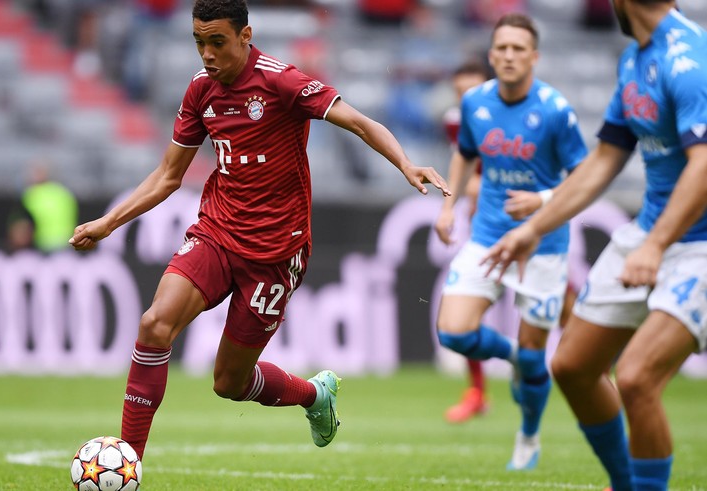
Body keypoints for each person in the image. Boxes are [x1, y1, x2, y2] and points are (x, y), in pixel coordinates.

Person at [69, 0, 451, 461]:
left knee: (228, 382)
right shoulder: (200, 91)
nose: (207, 54)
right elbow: (169, 175)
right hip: (217, 232)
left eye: (217, 42)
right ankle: (128, 460)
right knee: (154, 325)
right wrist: (109, 223)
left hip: (275, 253)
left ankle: (314, 396)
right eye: (199, 43)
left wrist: (405, 163)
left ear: (245, 36)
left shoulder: (281, 81)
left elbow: (358, 122)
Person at [482, 2, 707, 490]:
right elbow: (604, 160)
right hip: (651, 232)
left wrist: (656, 246)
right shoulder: (635, 59)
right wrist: (534, 227)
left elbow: (704, 166)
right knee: (573, 366)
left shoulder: (690, 59)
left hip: (698, 245)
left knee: (636, 377)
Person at [433, 13, 588, 471]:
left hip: (543, 242)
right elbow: (464, 154)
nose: (508, 56)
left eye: (518, 49)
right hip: (487, 235)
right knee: (453, 332)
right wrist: (448, 205)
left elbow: (585, 180)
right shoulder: (475, 103)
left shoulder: (555, 110)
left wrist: (541, 198)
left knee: (539, 359)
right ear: (492, 55)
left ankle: (529, 436)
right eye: (501, 48)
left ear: (534, 57)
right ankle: (513, 357)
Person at [439, 60, 494, 424]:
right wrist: (452, 205)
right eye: (460, 93)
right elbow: (465, 166)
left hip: (532, 222)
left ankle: (597, 370)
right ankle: (476, 391)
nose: (465, 99)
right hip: (486, 225)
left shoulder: (511, 114)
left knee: (563, 301)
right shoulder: (455, 120)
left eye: (472, 91)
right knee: (463, 312)